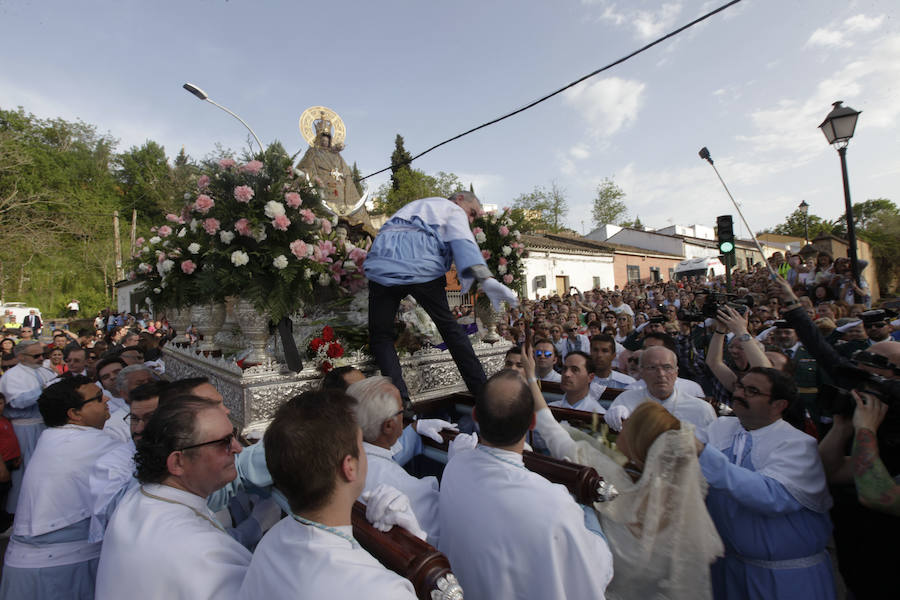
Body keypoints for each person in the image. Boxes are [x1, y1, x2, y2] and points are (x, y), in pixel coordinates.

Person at [438, 369, 613, 599]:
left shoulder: (454, 467)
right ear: (532, 423)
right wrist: (587, 510)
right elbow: (596, 571)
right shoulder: (555, 505)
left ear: (475, 416)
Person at [239, 390, 417, 599]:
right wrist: (417, 551)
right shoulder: (384, 591)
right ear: (349, 466)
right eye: (362, 444)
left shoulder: (270, 543)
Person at [364, 191, 517, 402]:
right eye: (472, 213)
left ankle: (399, 402)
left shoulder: (414, 205)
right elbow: (463, 241)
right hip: (421, 265)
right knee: (450, 329)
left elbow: (385, 232)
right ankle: (483, 393)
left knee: (380, 336)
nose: (470, 220)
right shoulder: (451, 209)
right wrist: (486, 278)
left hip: (381, 265)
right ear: (459, 200)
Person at [696, 367, 835, 599]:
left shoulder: (798, 445)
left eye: (752, 391)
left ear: (778, 405)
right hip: (728, 571)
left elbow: (770, 496)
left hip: (785, 580)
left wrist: (702, 453)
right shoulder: (720, 427)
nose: (740, 394)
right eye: (740, 386)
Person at [95, 397, 252, 599]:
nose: (238, 448)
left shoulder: (140, 496)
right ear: (178, 462)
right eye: (224, 442)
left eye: (234, 436)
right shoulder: (201, 553)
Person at [0, 376, 122, 600]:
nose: (106, 398)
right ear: (74, 414)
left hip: (31, 568)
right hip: (61, 573)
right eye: (97, 398)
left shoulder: (55, 437)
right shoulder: (97, 445)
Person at [346, 376, 444, 544]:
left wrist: (414, 428)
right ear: (389, 425)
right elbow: (445, 533)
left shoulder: (339, 460)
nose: (404, 416)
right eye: (402, 411)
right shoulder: (405, 488)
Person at [0, 341, 56, 514]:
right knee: (24, 472)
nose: (41, 359)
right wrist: (43, 390)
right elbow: (17, 402)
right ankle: (18, 511)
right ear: (21, 356)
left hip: (46, 426)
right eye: (36, 356)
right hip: (23, 429)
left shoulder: (45, 371)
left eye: (42, 355)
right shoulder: (12, 376)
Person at [606, 346, 716, 432]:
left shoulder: (701, 410)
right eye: (652, 368)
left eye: (667, 367)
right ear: (642, 372)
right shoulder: (626, 401)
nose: (661, 374)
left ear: (676, 372)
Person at [588, 334, 635, 399]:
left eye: (605, 351)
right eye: (595, 350)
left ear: (613, 355)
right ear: (590, 353)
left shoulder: (628, 384)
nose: (599, 355)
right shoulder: (580, 382)